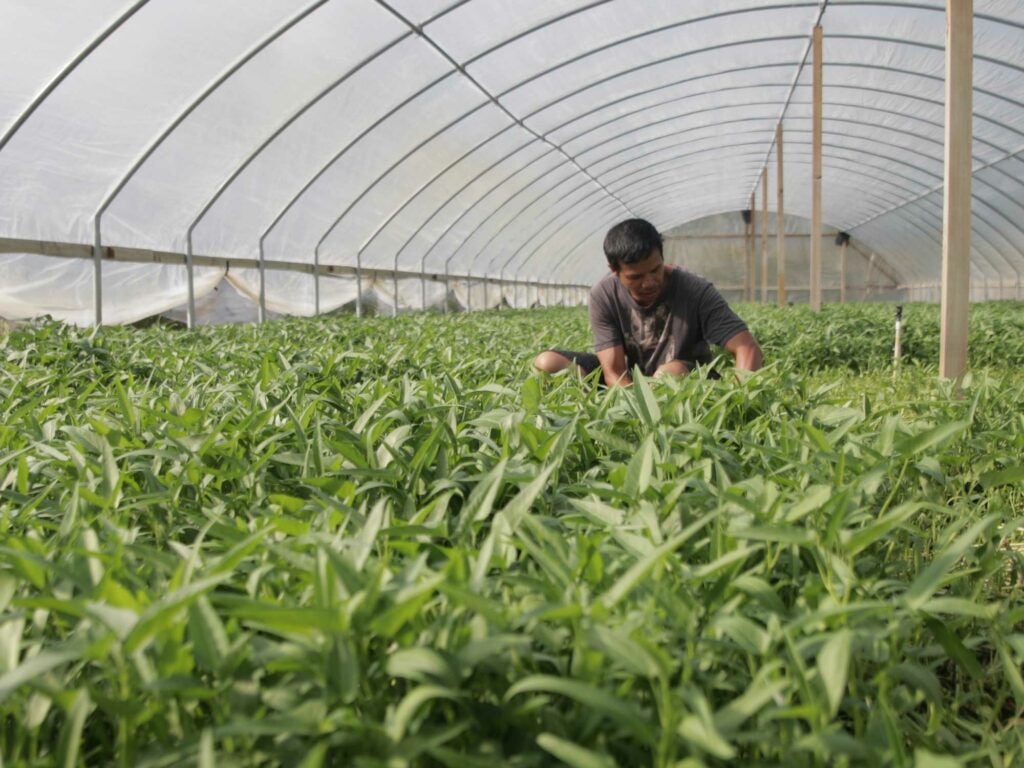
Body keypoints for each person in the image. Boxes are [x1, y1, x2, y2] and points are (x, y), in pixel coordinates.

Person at [534, 218, 762, 387]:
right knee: (547, 363)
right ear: (615, 271)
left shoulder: (695, 290)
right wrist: (635, 405)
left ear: (662, 257)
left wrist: (738, 396)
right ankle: (586, 412)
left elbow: (746, 347)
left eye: (655, 270)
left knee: (667, 374)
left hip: (686, 376)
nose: (650, 282)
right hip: (632, 380)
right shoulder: (604, 295)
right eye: (636, 277)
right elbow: (614, 373)